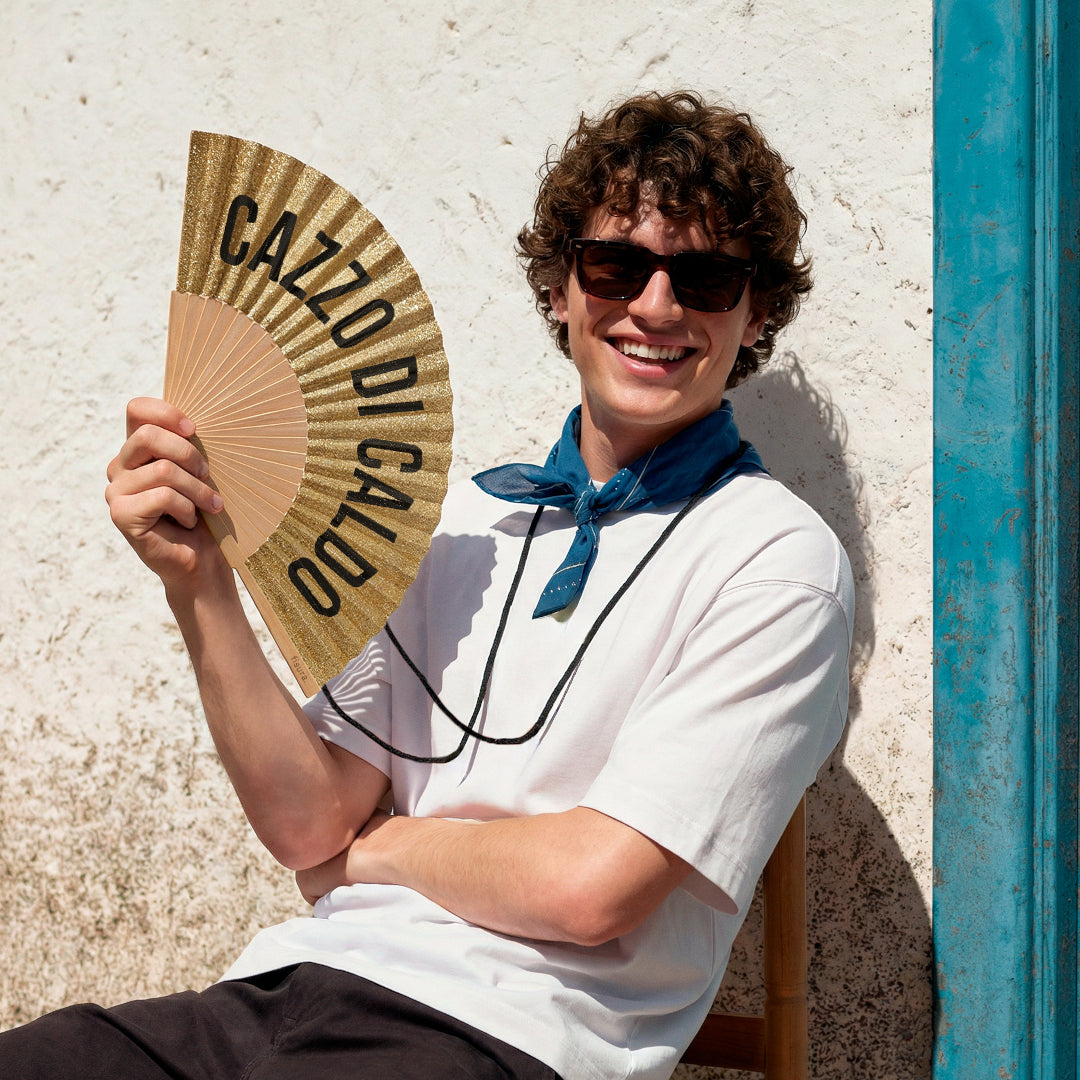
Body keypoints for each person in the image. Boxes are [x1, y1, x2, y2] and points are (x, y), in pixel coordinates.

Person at [2, 90, 853, 1080]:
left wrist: (379, 851)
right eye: (615, 265)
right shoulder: (456, 525)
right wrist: (197, 583)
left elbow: (590, 890)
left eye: (704, 278)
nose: (655, 306)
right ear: (560, 290)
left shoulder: (778, 562)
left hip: (510, 1038)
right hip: (291, 987)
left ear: (756, 314)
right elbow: (310, 825)